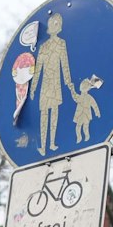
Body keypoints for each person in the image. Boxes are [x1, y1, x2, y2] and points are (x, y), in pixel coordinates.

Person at [34, 12, 74, 156]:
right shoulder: (43, 47)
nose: (53, 26)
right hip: (45, 84)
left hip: (56, 83)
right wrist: (33, 87)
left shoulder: (61, 44)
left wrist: (68, 82)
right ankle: (42, 146)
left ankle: (51, 143)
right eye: (51, 23)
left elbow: (65, 64)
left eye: (56, 24)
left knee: (55, 112)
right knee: (44, 113)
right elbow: (38, 68)